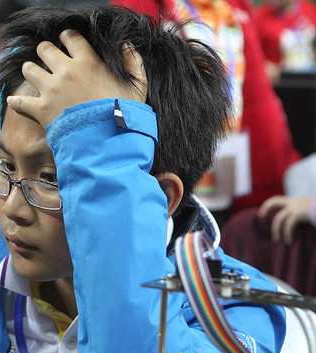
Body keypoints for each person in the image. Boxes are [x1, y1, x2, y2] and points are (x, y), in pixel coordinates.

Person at [0, 4, 286, 353]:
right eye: (6, 166)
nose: (13, 210)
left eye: (55, 179)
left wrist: (100, 149)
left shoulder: (234, 309)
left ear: (158, 197)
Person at [113, 0, 301, 212]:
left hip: (230, 159)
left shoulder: (233, 8)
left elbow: (257, 95)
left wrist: (275, 172)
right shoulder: (140, 5)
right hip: (165, 167)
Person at [254, 0, 316, 77]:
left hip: (310, 77)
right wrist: (265, 65)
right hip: (281, 80)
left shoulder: (309, 10)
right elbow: (253, 53)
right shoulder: (260, 17)